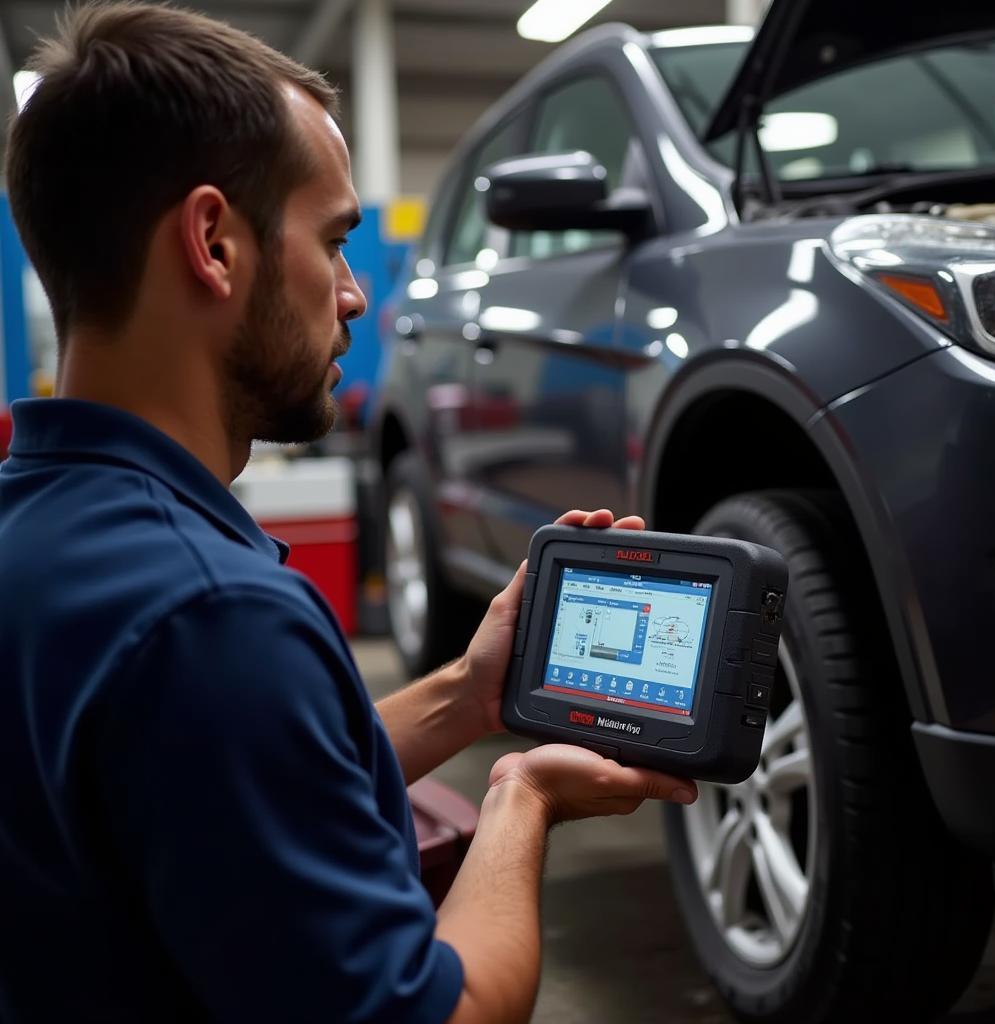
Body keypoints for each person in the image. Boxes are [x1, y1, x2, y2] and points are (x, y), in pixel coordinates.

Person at [0, 4, 698, 1022]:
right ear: (213, 243)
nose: (355, 296)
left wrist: (469, 693)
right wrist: (519, 797)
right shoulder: (212, 617)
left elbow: (229, 779)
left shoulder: (43, 531)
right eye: (332, 242)